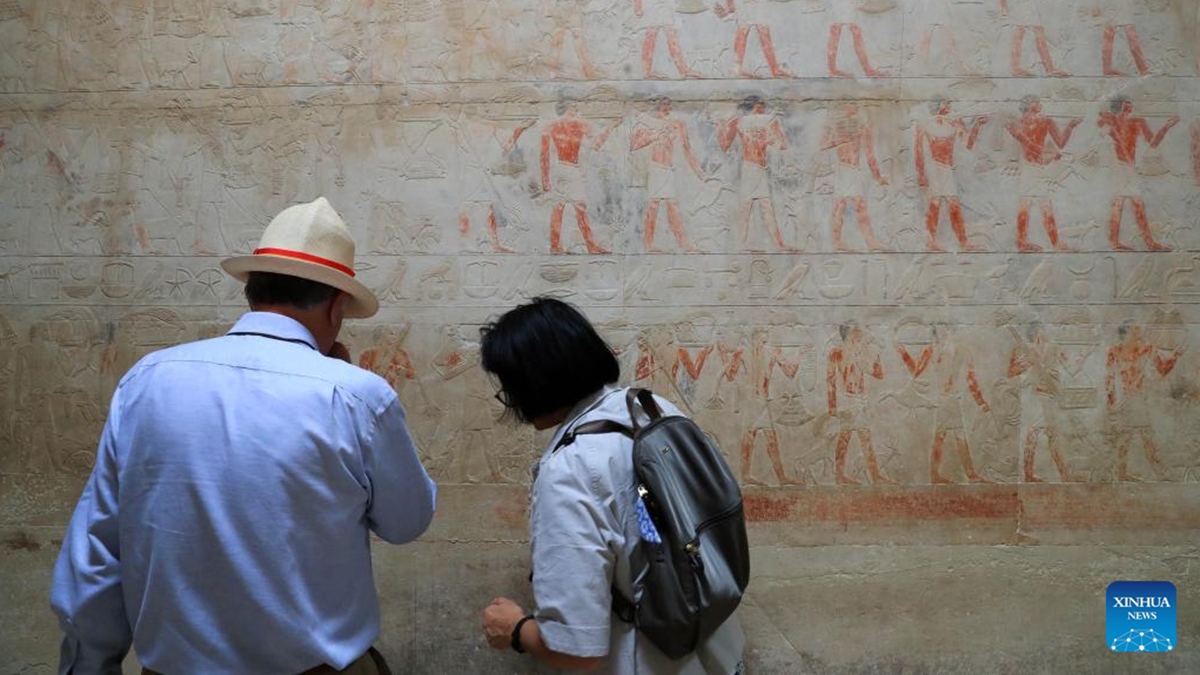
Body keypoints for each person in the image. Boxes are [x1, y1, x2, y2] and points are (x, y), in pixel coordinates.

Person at [49, 197, 437, 674]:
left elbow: (97, 553)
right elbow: (407, 521)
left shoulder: (147, 381)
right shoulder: (355, 396)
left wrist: (88, 666)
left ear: (252, 291)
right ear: (337, 308)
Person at [479, 297, 744, 674]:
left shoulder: (570, 471)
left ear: (532, 384)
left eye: (509, 386)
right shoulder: (652, 408)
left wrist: (514, 629)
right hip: (716, 645)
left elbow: (577, 651)